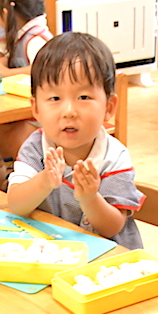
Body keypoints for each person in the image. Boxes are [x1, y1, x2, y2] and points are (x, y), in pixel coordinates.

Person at [7, 32, 144, 249]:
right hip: (54, 253)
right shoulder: (35, 147)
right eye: (55, 98)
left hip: (106, 262)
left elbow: (113, 227)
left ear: (109, 107)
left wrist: (90, 198)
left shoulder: (113, 157)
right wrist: (44, 181)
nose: (69, 111)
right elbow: (16, 204)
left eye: (83, 97)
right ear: (36, 108)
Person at [0, 0, 52, 166]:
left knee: (4, 128)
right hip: (25, 105)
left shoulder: (35, 38)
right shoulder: (22, 35)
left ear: (5, 12)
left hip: (44, 115)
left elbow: (43, 69)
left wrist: (8, 73)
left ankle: (20, 169)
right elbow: (14, 57)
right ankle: (12, 168)